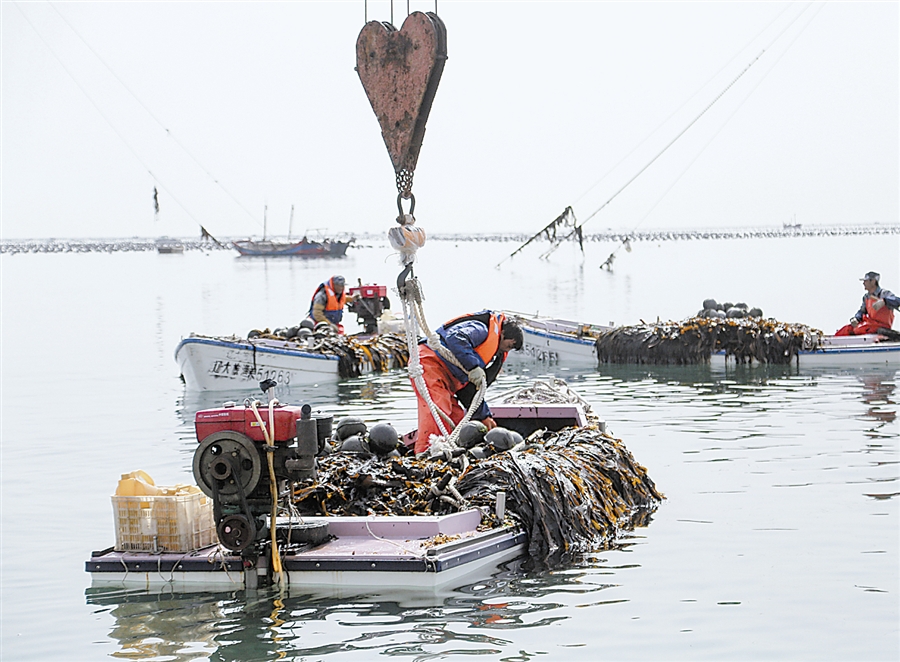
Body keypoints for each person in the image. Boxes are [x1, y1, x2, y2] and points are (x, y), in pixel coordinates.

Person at [412, 310, 523, 454]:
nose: (508, 349)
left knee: (457, 419)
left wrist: (484, 416)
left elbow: (469, 391)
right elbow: (455, 338)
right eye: (509, 345)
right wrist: (473, 366)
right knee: (438, 413)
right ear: (502, 334)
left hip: (448, 379)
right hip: (430, 363)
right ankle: (425, 454)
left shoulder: (488, 355)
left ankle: (451, 454)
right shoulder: (480, 329)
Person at [835, 271, 899, 336]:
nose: (863, 283)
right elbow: (862, 311)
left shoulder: (884, 294)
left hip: (881, 326)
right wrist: (856, 319)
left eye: (866, 281)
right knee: (847, 329)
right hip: (870, 324)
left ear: (873, 281)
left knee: (860, 329)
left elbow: (897, 301)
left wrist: (884, 301)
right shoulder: (866, 297)